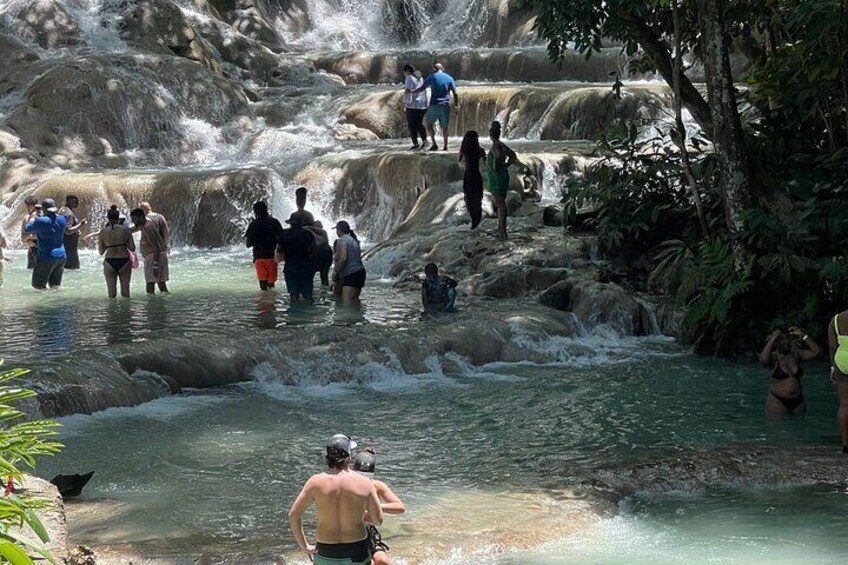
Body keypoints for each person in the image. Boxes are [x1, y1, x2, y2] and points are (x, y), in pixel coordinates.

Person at [289, 434, 383, 565]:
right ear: (349, 455)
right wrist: (360, 515)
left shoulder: (315, 482)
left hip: (326, 553)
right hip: (357, 552)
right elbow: (378, 520)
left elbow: (294, 515)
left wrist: (304, 545)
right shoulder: (365, 483)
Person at [353, 448, 406, 565]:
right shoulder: (346, 486)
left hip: (369, 532)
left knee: (382, 560)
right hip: (351, 532)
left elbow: (400, 507)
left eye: (366, 479)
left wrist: (375, 507)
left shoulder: (377, 486)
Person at [758, 327, 821, 416]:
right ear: (776, 343)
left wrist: (803, 336)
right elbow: (763, 360)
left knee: (799, 428)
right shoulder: (774, 358)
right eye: (782, 340)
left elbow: (816, 352)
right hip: (778, 401)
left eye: (787, 340)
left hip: (799, 401)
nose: (785, 342)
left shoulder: (796, 355)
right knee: (780, 429)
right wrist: (772, 339)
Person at [486, 121, 521, 240]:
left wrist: (497, 164)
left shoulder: (496, 145)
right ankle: (500, 228)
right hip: (501, 176)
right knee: (500, 203)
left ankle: (503, 231)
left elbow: (499, 156)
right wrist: (506, 165)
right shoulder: (501, 144)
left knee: (501, 204)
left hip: (497, 178)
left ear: (490, 134)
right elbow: (513, 155)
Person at [413, 63, 459, 152]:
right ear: (443, 69)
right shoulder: (449, 78)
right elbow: (455, 93)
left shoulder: (431, 76)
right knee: (445, 127)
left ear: (434, 69)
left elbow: (422, 88)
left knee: (429, 124)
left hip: (434, 104)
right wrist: (456, 105)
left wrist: (412, 91)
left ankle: (434, 144)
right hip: (445, 105)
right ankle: (445, 146)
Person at [24, 198, 67, 290]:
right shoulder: (62, 219)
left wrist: (34, 217)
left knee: (38, 286)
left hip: (46, 257)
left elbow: (27, 228)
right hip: (61, 256)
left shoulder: (42, 221)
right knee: (55, 286)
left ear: (43, 209)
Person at [276, 212, 316, 302]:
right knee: (308, 296)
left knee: (293, 297)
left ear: (290, 223)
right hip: (305, 267)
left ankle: (293, 315)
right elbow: (313, 251)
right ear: (302, 223)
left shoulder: (284, 235)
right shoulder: (308, 234)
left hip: (290, 268)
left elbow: (278, 253)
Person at [245, 201, 284, 291]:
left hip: (259, 258)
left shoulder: (253, 224)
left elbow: (248, 244)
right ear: (266, 210)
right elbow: (282, 238)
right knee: (271, 285)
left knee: (263, 286)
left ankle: (263, 302)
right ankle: (271, 302)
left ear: (255, 212)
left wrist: (257, 240)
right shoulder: (274, 222)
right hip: (272, 257)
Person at [97, 205, 135, 298]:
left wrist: (109, 244)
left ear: (108, 218)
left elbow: (101, 252)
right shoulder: (126, 230)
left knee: (111, 294)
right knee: (126, 293)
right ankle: (126, 312)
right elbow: (132, 248)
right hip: (124, 261)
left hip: (109, 261)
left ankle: (112, 312)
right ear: (118, 218)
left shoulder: (103, 232)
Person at [130, 208, 169, 294]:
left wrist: (155, 264)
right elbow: (130, 230)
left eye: (134, 219)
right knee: (161, 284)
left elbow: (156, 246)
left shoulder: (148, 227)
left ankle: (151, 306)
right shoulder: (145, 224)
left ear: (140, 217)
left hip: (154, 256)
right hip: (160, 254)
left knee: (150, 285)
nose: (133, 222)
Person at [828, 310, 848, 453]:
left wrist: (833, 368)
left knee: (844, 406)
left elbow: (833, 347)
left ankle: (846, 445)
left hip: (841, 359)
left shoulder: (836, 319)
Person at [333, 221, 366, 307]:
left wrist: (336, 271)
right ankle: (358, 319)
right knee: (355, 302)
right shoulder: (354, 240)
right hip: (360, 272)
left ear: (339, 230)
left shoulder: (342, 240)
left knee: (346, 305)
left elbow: (343, 257)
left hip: (351, 274)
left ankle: (348, 319)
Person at [459, 130, 485, 229]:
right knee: (478, 200)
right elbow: (485, 164)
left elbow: (459, 160)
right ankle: (476, 222)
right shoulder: (480, 150)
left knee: (469, 199)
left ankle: (474, 223)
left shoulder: (464, 150)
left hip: (468, 176)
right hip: (476, 176)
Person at [402, 64, 428, 150]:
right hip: (422, 105)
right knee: (419, 124)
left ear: (407, 71)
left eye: (404, 72)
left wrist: (404, 103)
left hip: (412, 105)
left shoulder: (409, 77)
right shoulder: (420, 78)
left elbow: (407, 90)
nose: (404, 74)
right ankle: (425, 141)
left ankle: (415, 143)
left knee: (412, 125)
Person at [59, 194, 86, 270]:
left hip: (65, 246)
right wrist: (81, 224)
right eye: (75, 201)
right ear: (69, 201)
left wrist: (77, 230)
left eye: (77, 201)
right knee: (73, 268)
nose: (77, 202)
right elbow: (67, 231)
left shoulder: (62, 210)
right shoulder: (68, 213)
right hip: (69, 247)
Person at [306, 220, 334, 286]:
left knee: (324, 276)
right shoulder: (312, 233)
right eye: (316, 226)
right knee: (310, 276)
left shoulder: (323, 232)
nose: (317, 228)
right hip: (318, 256)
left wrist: (307, 227)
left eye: (319, 226)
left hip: (324, 256)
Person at [21, 196, 40, 269]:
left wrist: (29, 236)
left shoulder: (41, 216)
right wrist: (27, 241)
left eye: (30, 205)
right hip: (32, 249)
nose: (28, 208)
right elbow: (22, 238)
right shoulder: (26, 218)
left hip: (40, 249)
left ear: (35, 206)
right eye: (27, 205)